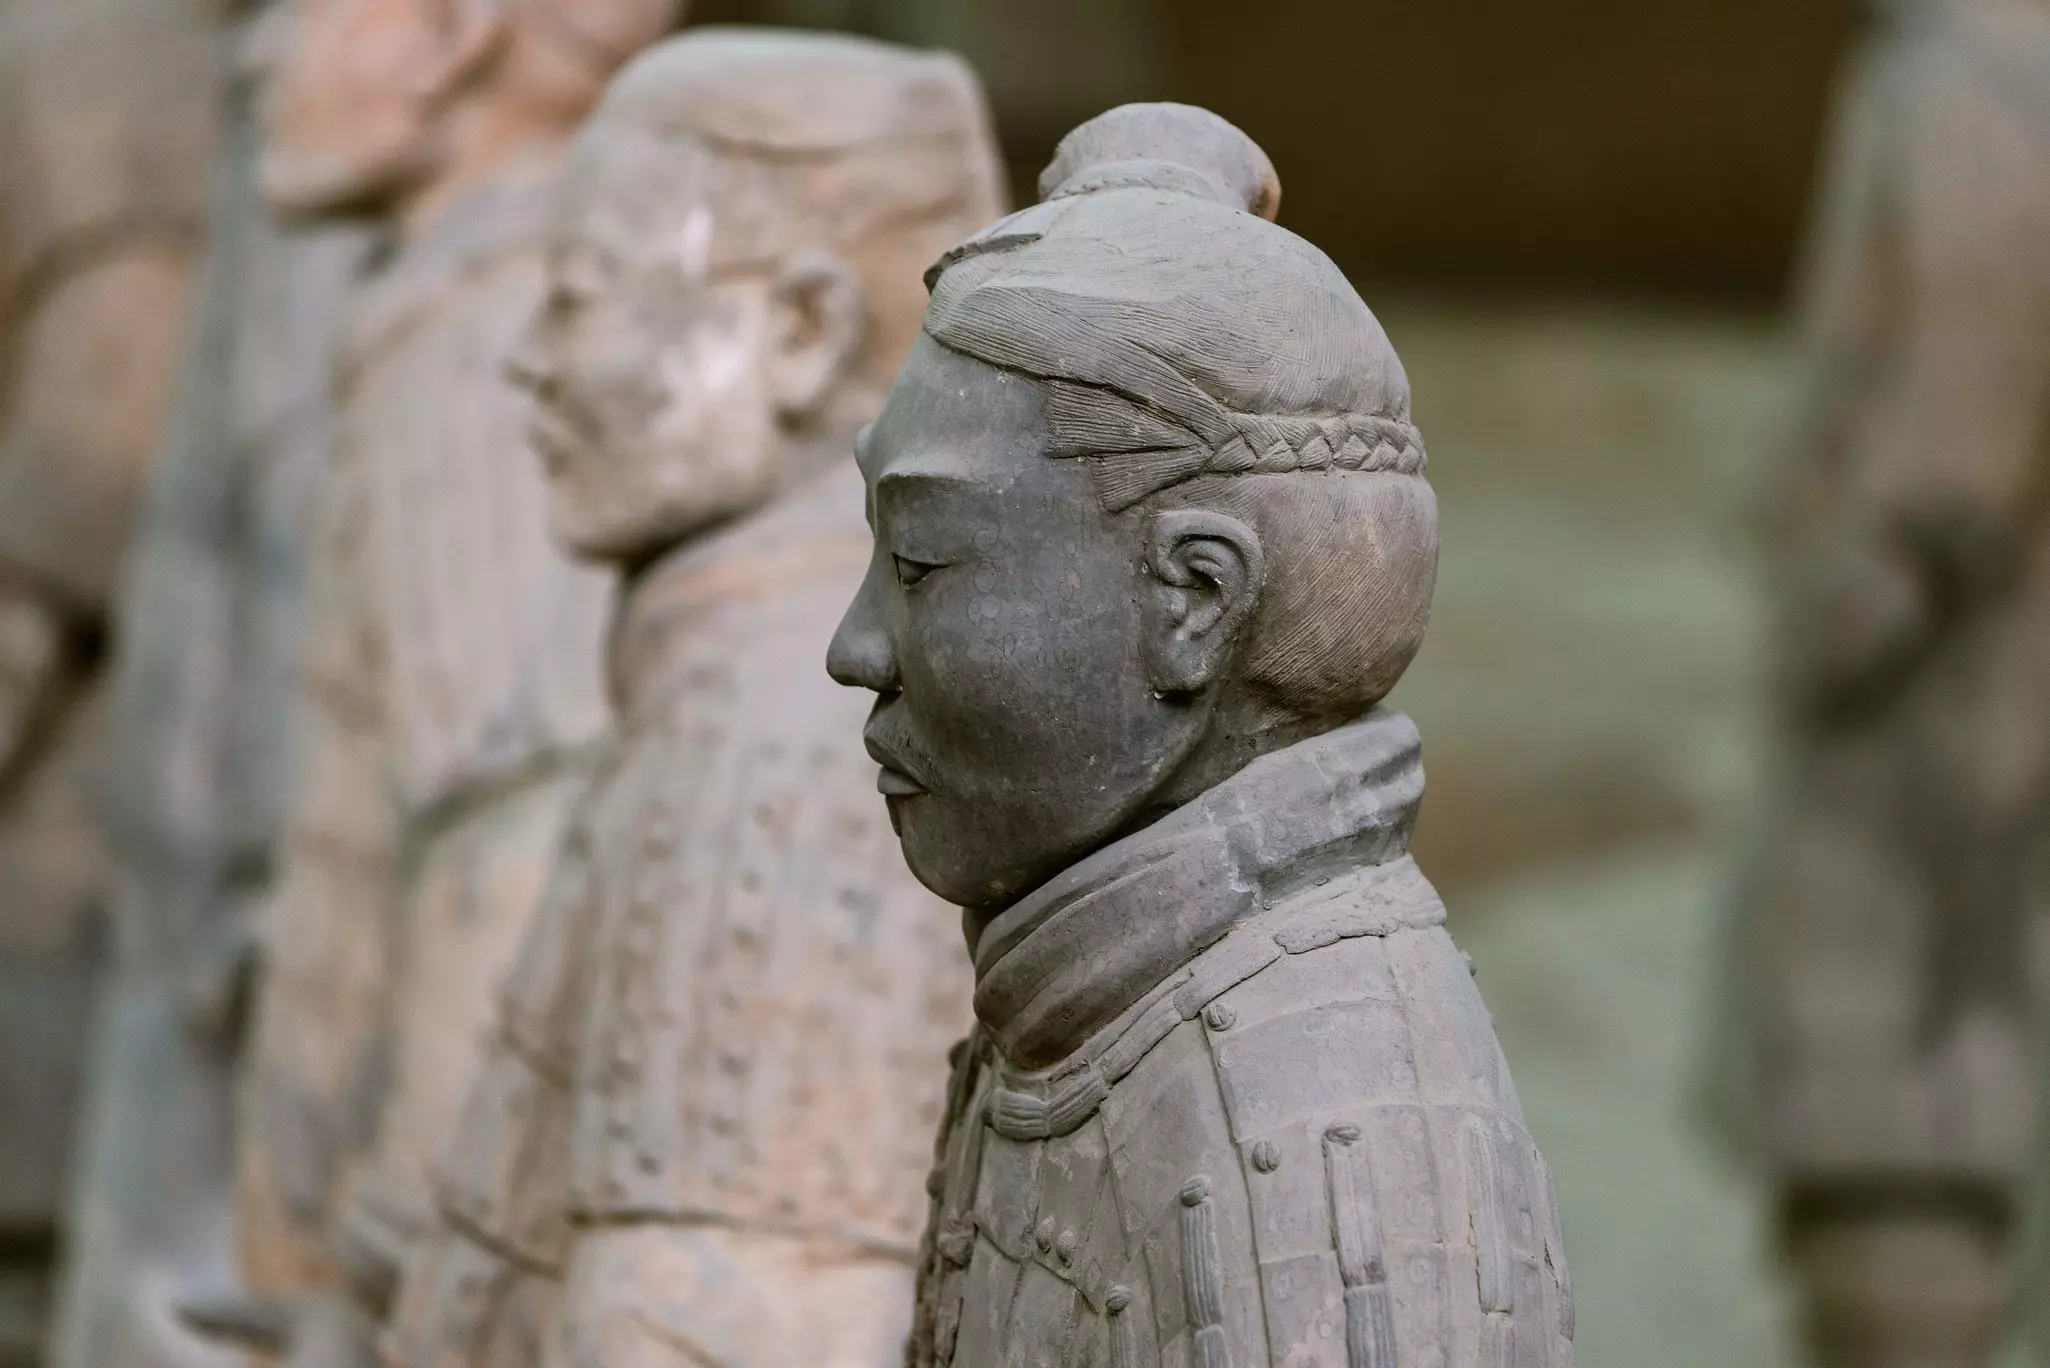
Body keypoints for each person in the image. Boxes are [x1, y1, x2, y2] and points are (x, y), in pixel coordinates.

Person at [828, 102, 1575, 1368]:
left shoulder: (1322, 1122)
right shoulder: (1093, 1002)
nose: (855, 649)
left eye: (920, 561)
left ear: (1193, 602)